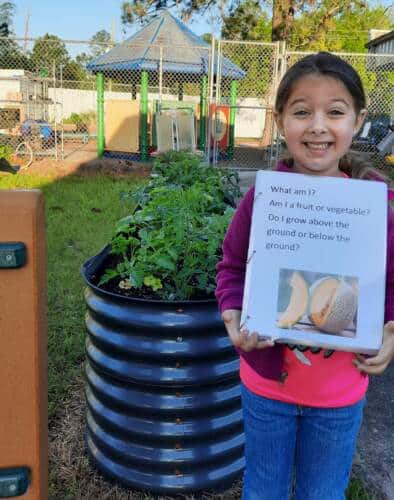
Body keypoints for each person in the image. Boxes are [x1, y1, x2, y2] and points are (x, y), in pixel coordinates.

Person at [215, 52, 394, 500]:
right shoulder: (262, 200)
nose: (317, 126)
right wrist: (232, 312)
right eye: (301, 111)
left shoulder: (375, 209)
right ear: (280, 122)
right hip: (265, 386)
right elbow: (233, 266)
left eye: (335, 112)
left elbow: (390, 284)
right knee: (263, 490)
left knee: (324, 493)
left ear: (357, 121)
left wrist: (391, 329)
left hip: (340, 392)